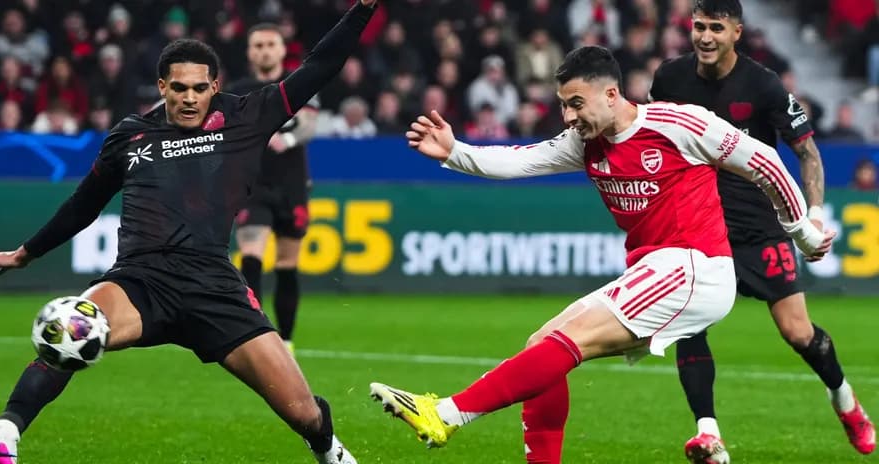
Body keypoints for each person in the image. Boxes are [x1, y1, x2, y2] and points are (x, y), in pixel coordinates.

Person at [0, 2, 379, 463]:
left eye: (199, 88)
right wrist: (25, 253)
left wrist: (363, 9)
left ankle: (329, 450)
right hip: (140, 281)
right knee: (70, 329)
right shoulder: (129, 136)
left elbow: (321, 66)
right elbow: (84, 204)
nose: (189, 98)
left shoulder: (249, 114)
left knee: (303, 413)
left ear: (215, 85)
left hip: (215, 287)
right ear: (161, 86)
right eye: (178, 88)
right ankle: (5, 431)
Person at [369, 45, 833, 464]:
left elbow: (766, 163)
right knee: (542, 345)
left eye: (576, 103)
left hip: (695, 266)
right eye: (563, 105)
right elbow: (519, 160)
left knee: (567, 344)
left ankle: (447, 413)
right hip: (655, 268)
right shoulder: (585, 143)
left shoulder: (679, 124)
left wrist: (803, 232)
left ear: (611, 94)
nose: (569, 117)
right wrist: (455, 151)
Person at [649, 1, 875, 461]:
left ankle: (846, 402)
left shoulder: (764, 85)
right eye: (698, 27)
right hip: (696, 224)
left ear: (737, 31)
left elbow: (808, 154)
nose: (705, 37)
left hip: (758, 226)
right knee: (690, 324)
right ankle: (708, 434)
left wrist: (813, 215)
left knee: (797, 333)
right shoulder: (669, 80)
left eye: (716, 27)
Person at [230, 22, 320, 356]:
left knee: (286, 263)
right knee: (251, 255)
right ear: (249, 52)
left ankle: (286, 339)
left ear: (283, 49)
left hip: (292, 185)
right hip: (253, 185)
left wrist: (289, 138)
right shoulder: (238, 90)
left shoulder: (299, 83)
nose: (265, 50)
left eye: (270, 44)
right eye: (258, 45)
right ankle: (256, 334)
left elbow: (309, 124)